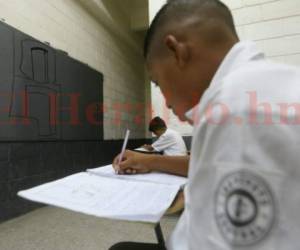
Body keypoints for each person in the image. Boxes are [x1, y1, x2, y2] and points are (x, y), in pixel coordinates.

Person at [110, 0, 300, 249]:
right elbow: (208, 162)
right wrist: (150, 161)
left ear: (177, 51)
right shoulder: (266, 84)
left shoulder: (233, 108)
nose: (166, 103)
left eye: (158, 82)